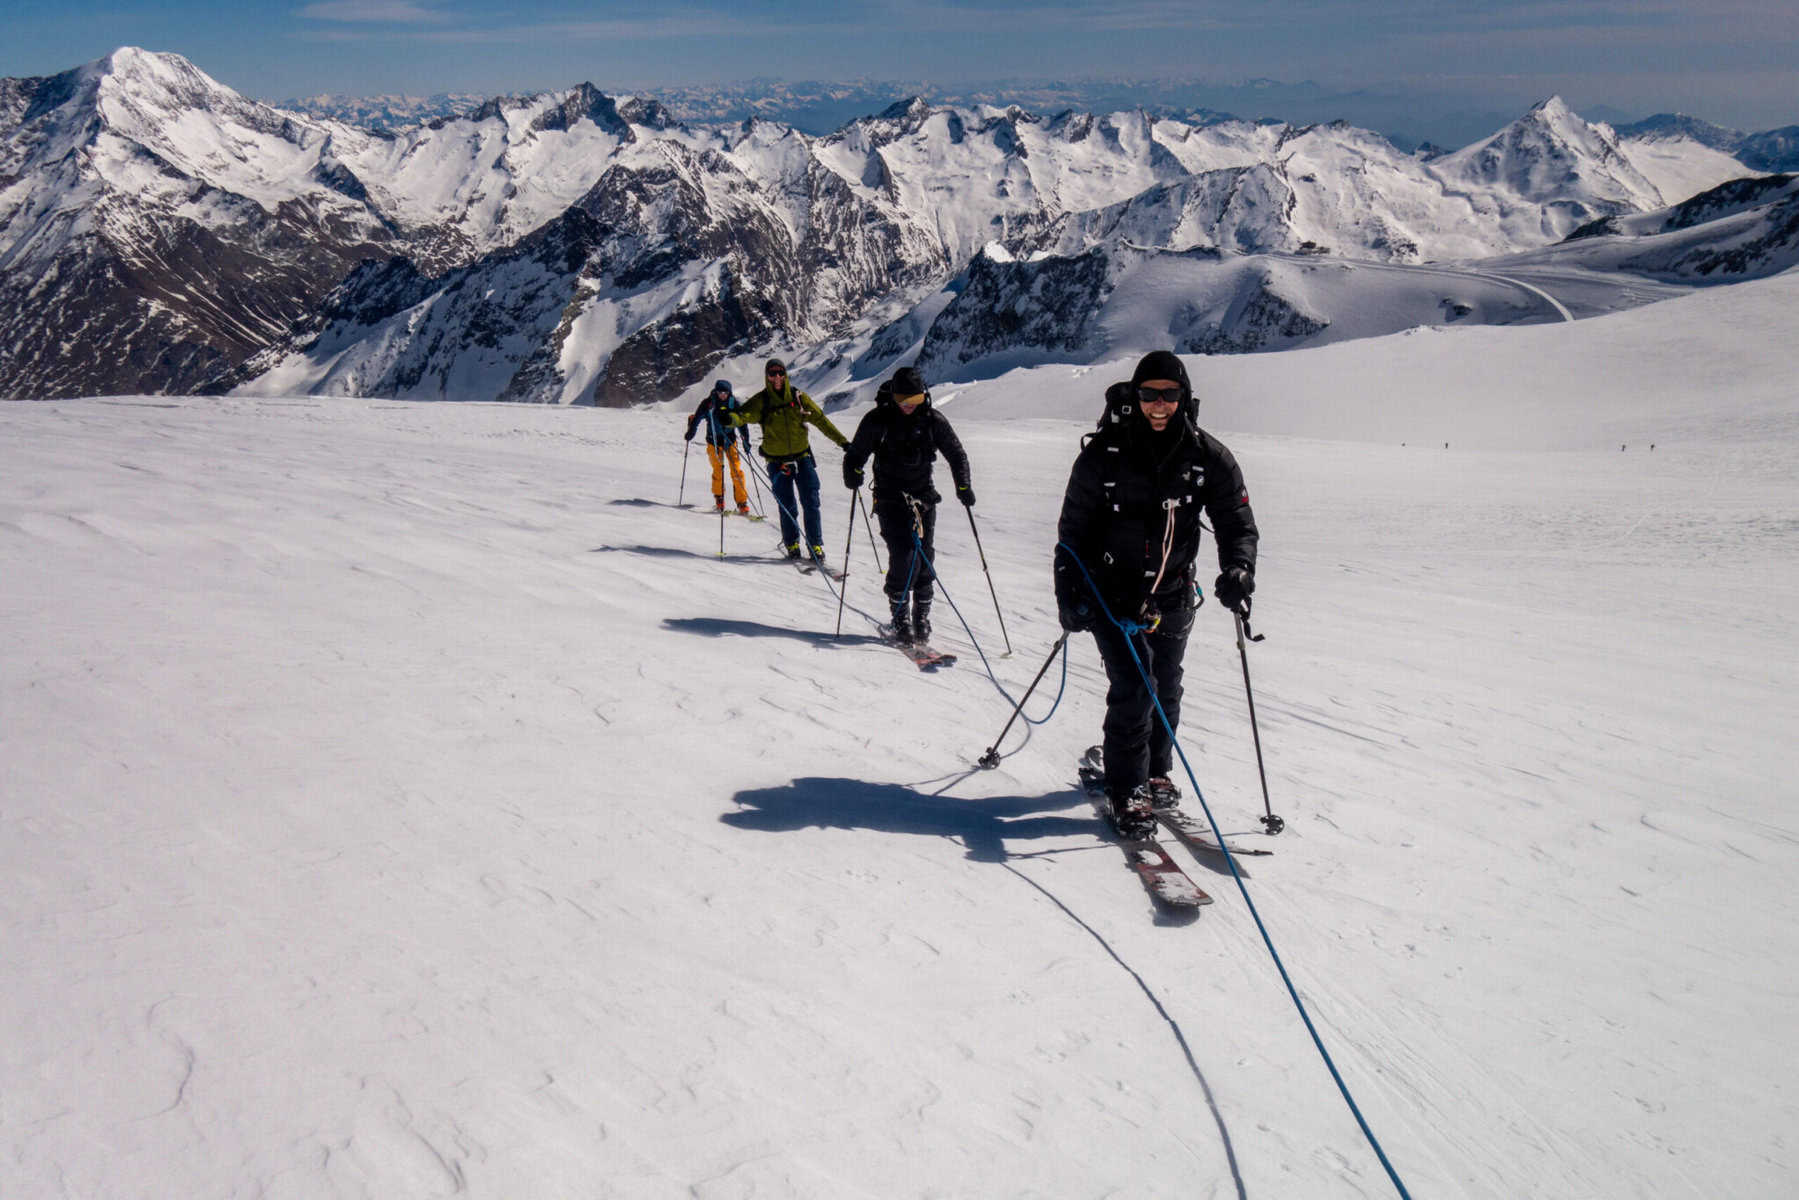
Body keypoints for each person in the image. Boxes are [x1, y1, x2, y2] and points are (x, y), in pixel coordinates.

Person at [1053, 350, 1259, 837]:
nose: (1159, 405)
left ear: (1184, 397)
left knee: (1165, 682)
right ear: (1137, 396)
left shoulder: (1208, 457)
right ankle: (1126, 789)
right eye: (1149, 394)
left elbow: (1236, 521)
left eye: (1169, 394)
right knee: (1136, 684)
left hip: (1174, 592)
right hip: (1111, 592)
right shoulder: (1103, 455)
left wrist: (1239, 568)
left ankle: (1156, 770)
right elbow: (1073, 531)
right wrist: (1068, 590)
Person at [841, 365, 973, 645]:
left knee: (925, 557)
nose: (909, 407)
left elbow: (956, 454)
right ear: (894, 398)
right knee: (904, 556)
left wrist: (963, 485)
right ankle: (900, 615)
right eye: (903, 401)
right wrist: (852, 472)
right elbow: (856, 453)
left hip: (924, 500)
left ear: (923, 396)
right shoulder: (878, 420)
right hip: (890, 499)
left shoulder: (933, 420)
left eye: (915, 401)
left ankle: (921, 616)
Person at [728, 358, 849, 563]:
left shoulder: (798, 398)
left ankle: (815, 545)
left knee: (811, 502)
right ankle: (792, 543)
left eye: (780, 373)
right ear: (767, 376)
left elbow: (820, 419)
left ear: (785, 374)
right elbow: (744, 416)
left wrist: (843, 443)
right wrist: (731, 419)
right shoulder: (762, 401)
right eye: (772, 374)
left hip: (802, 458)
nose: (777, 377)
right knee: (787, 506)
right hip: (776, 462)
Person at [684, 379, 752, 513]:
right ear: (716, 391)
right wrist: (691, 432)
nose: (722, 395)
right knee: (718, 470)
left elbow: (742, 423)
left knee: (737, 471)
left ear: (729, 392)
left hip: (730, 441)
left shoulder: (734, 404)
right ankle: (719, 498)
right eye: (720, 392)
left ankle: (742, 502)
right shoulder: (708, 403)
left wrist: (746, 441)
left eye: (725, 392)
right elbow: (697, 418)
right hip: (713, 442)